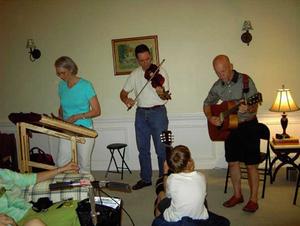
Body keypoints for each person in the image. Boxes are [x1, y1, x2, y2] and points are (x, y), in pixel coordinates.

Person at [203, 54, 260, 212]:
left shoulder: (246, 81)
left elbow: (254, 107)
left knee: (251, 165)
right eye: (218, 72)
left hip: (248, 126)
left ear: (231, 66)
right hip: (230, 128)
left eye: (224, 71)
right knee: (233, 162)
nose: (222, 75)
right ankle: (237, 195)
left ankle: (253, 199)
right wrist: (211, 117)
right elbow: (207, 103)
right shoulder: (217, 86)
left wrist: (248, 107)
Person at [120, 44, 170, 190]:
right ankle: (146, 178)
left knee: (161, 149)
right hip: (141, 114)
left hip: (158, 113)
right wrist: (126, 100)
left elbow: (166, 96)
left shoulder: (161, 72)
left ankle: (163, 179)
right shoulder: (135, 74)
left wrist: (161, 92)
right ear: (137, 60)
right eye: (142, 60)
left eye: (148, 59)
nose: (146, 63)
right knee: (142, 148)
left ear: (151, 57)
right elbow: (122, 93)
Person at [153, 145, 230, 226]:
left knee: (161, 194)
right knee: (203, 201)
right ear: (189, 159)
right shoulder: (201, 176)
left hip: (176, 219)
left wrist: (165, 172)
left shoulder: (171, 179)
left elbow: (168, 195)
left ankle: (158, 218)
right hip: (200, 217)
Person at [54, 56, 101, 174]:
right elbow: (62, 106)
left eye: (63, 73)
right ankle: (69, 188)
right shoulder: (61, 86)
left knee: (84, 164)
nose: (61, 76)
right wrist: (59, 118)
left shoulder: (86, 85)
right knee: (61, 162)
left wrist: (76, 117)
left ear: (71, 69)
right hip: (67, 128)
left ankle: (85, 191)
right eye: (58, 73)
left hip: (84, 128)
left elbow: (96, 111)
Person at [0, 162, 79, 226]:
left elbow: (32, 178)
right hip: (18, 222)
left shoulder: (3, 174)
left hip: (33, 211)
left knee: (76, 207)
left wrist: (61, 169)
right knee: (34, 224)